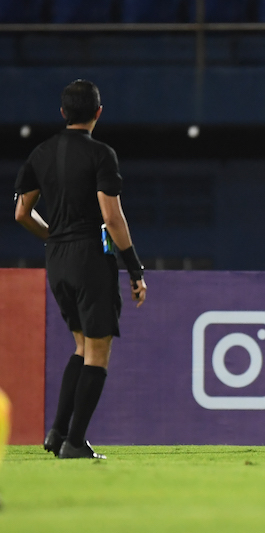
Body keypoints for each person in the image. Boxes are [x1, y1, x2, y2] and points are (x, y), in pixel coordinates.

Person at [14, 79, 147, 460]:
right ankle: (75, 442)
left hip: (56, 259)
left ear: (62, 113)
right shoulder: (101, 155)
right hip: (90, 256)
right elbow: (112, 216)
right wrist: (135, 269)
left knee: (81, 345)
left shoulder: (40, 153)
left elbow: (21, 212)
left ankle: (57, 433)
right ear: (98, 114)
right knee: (98, 352)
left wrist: (52, 235)